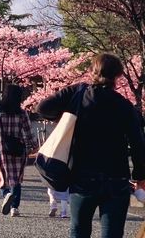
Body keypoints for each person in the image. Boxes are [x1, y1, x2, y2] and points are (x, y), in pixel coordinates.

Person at [36, 53, 145, 238]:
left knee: (79, 230)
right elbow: (138, 143)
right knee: (112, 233)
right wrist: (140, 176)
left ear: (92, 72)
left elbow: (43, 108)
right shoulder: (125, 106)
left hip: (82, 177)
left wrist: (66, 117)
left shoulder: (77, 93)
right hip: (116, 179)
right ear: (118, 76)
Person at [0, 84, 37, 217]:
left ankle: (6, 194)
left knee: (1, 175)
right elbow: (28, 132)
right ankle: (14, 207)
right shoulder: (22, 113)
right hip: (18, 149)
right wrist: (33, 146)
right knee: (16, 178)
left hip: (1, 149)